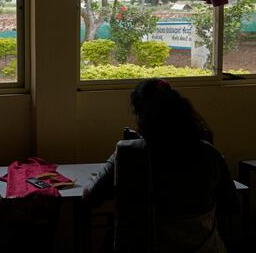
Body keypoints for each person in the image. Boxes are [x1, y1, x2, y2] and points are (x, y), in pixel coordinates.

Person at [83, 78, 238, 253]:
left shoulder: (128, 153)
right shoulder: (210, 154)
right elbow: (231, 204)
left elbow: (90, 197)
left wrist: (99, 178)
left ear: (141, 115)